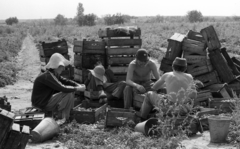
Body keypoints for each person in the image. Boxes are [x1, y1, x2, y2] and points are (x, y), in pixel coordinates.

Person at [31, 53, 86, 124]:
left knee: (70, 91)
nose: (63, 68)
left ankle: (66, 115)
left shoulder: (53, 74)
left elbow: (66, 81)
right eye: (62, 66)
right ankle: (64, 118)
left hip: (44, 101)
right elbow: (62, 88)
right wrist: (78, 89)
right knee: (69, 93)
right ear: (56, 66)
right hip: (41, 104)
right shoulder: (48, 76)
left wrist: (78, 85)